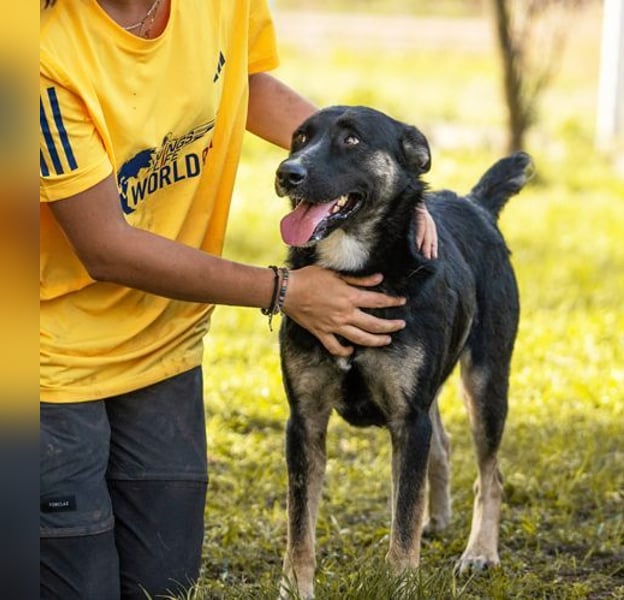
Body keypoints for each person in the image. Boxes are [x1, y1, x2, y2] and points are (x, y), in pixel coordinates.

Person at [39, 1, 438, 598]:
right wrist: (284, 289)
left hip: (161, 348)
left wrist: (382, 183)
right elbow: (106, 246)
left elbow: (245, 83)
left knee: (163, 586)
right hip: (47, 362)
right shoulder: (35, 51)